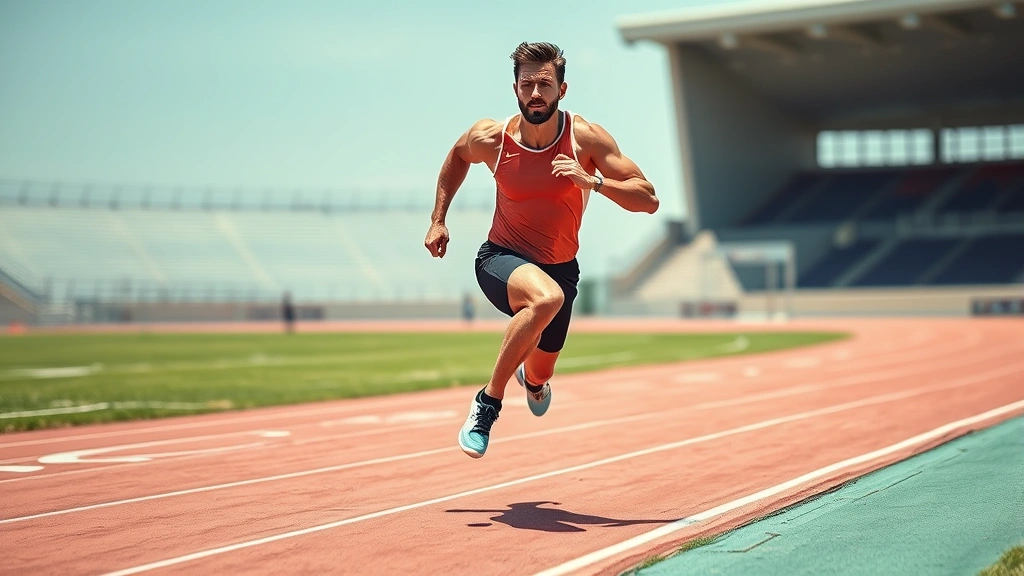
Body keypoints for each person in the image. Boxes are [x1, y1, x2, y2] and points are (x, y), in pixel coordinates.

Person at [424, 42, 658, 459]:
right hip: (500, 258)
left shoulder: (584, 138)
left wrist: (594, 183)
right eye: (527, 83)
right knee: (543, 298)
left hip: (561, 269)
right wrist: (438, 218)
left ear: (561, 91)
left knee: (540, 369)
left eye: (544, 84)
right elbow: (457, 156)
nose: (535, 93)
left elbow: (647, 198)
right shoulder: (492, 138)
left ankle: (532, 380)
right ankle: (487, 404)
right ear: (514, 88)